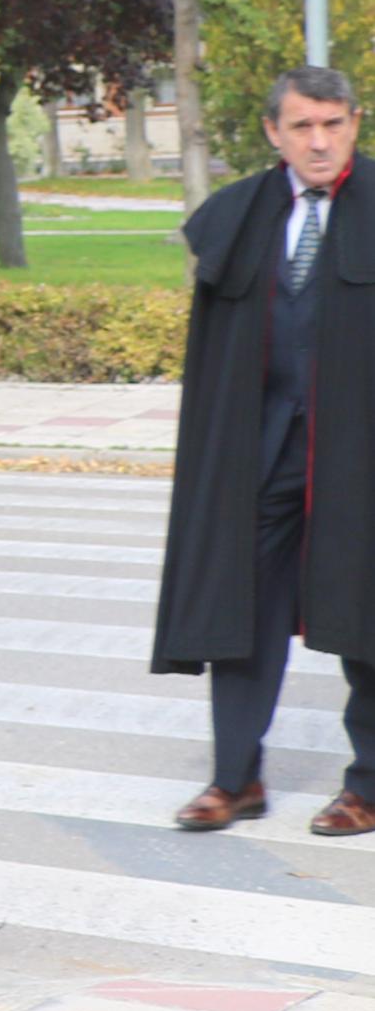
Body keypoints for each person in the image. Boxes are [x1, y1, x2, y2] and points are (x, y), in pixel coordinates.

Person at [150, 64, 375, 838]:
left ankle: (367, 786)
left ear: (353, 124)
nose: (320, 141)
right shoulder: (238, 215)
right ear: (273, 133)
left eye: (334, 123)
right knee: (239, 611)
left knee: (364, 615)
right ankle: (234, 777)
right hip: (265, 451)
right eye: (303, 126)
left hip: (361, 455)